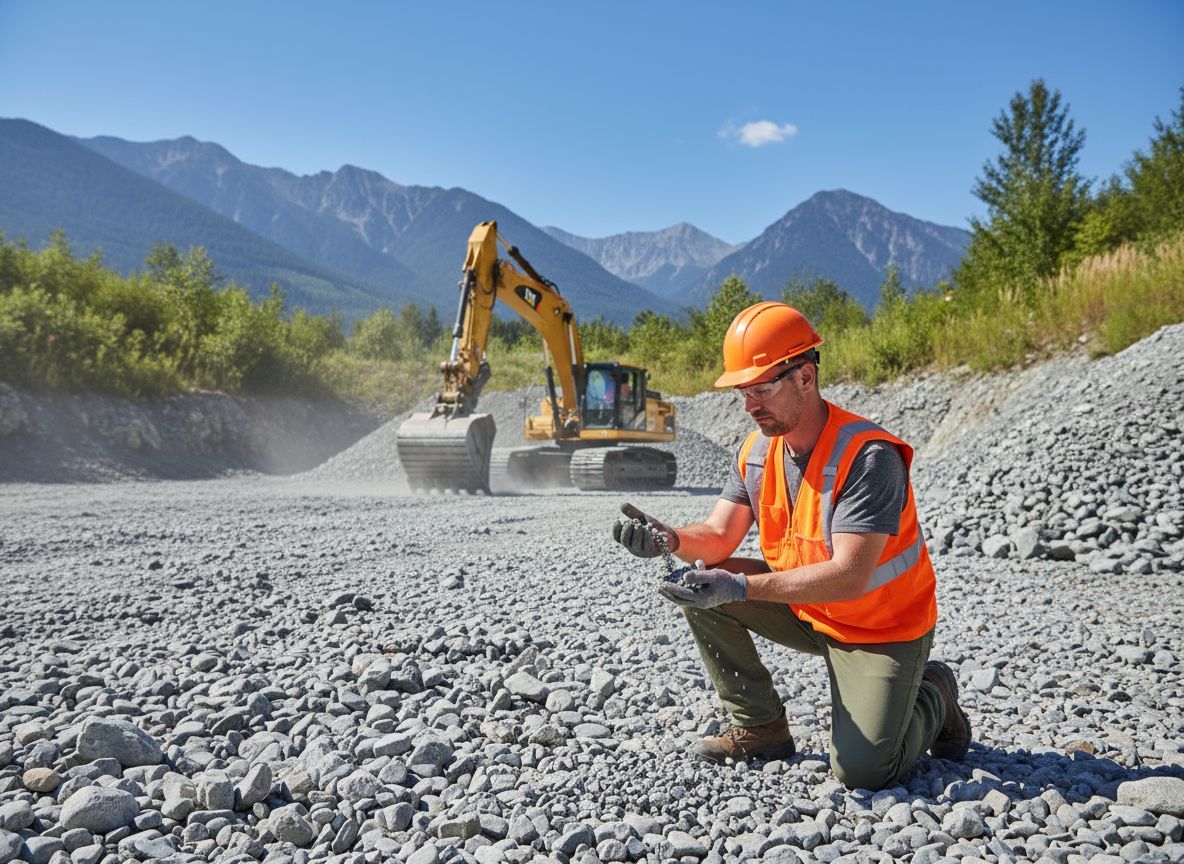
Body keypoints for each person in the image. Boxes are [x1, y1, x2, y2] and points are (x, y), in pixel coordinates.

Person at [611, 301, 970, 790]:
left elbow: (850, 574)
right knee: (696, 584)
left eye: (761, 388)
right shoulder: (757, 452)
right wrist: (668, 538)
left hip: (881, 629)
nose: (750, 404)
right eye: (743, 391)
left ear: (805, 376)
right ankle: (761, 727)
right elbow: (717, 538)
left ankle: (934, 691)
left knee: (864, 771)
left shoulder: (869, 457)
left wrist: (739, 586)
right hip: (809, 610)